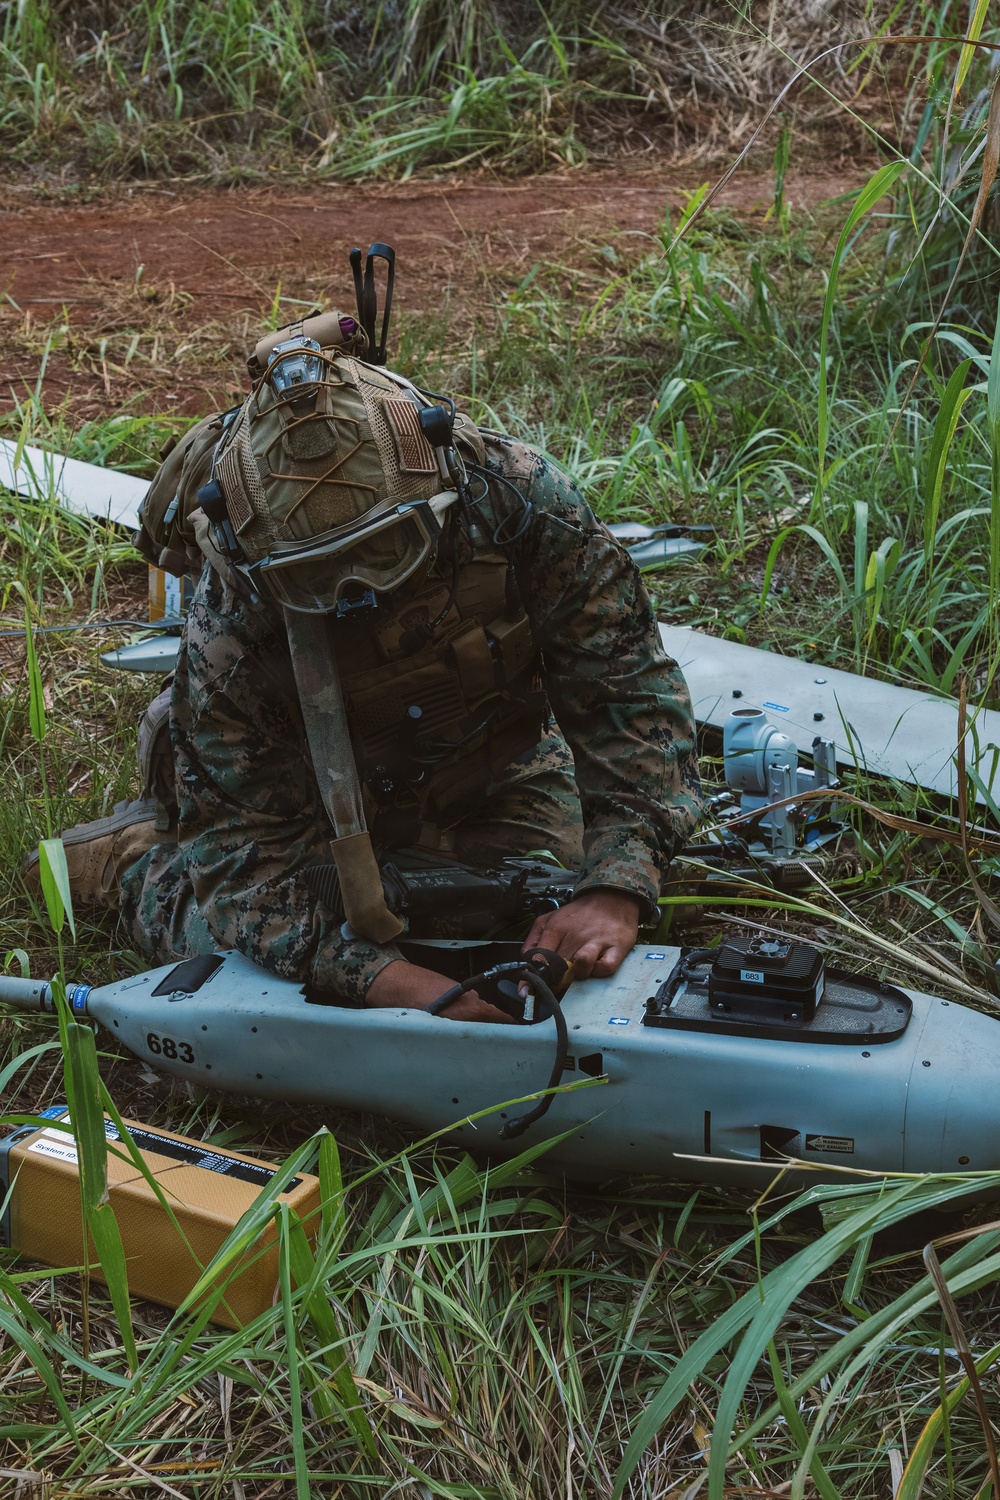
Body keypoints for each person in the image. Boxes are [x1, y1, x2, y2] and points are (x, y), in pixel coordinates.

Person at [27, 308, 702, 1022]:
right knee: (244, 950)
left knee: (535, 919)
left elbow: (626, 691)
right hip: (304, 798)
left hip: (481, 769)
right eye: (320, 573)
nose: (359, 591)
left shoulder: (512, 500)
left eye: (382, 553)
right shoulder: (237, 604)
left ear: (440, 488)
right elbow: (247, 865)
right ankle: (134, 861)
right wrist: (402, 989)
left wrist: (616, 887)